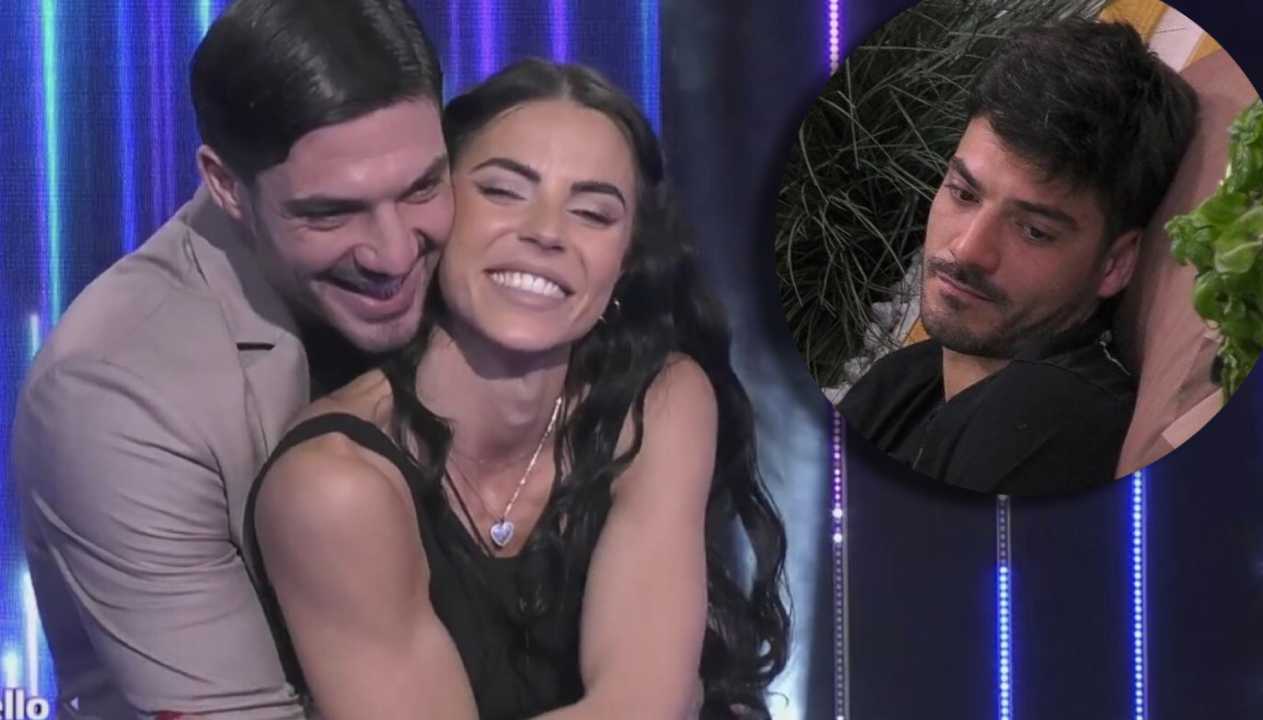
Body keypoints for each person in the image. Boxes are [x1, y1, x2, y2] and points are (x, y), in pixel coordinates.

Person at [246, 59, 791, 719]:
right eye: (503, 191)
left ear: (626, 262)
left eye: (592, 212)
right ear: (436, 213)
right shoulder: (333, 487)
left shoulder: (661, 402)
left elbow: (640, 703)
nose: (546, 232)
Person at [8, 1, 451, 717]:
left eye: (422, 187)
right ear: (225, 185)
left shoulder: (489, 270)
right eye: (331, 212)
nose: (395, 254)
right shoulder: (113, 392)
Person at [838, 19, 1199, 495]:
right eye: (964, 193)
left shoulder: (1056, 421)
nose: (968, 249)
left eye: (1033, 230)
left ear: (1115, 264)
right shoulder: (903, 379)